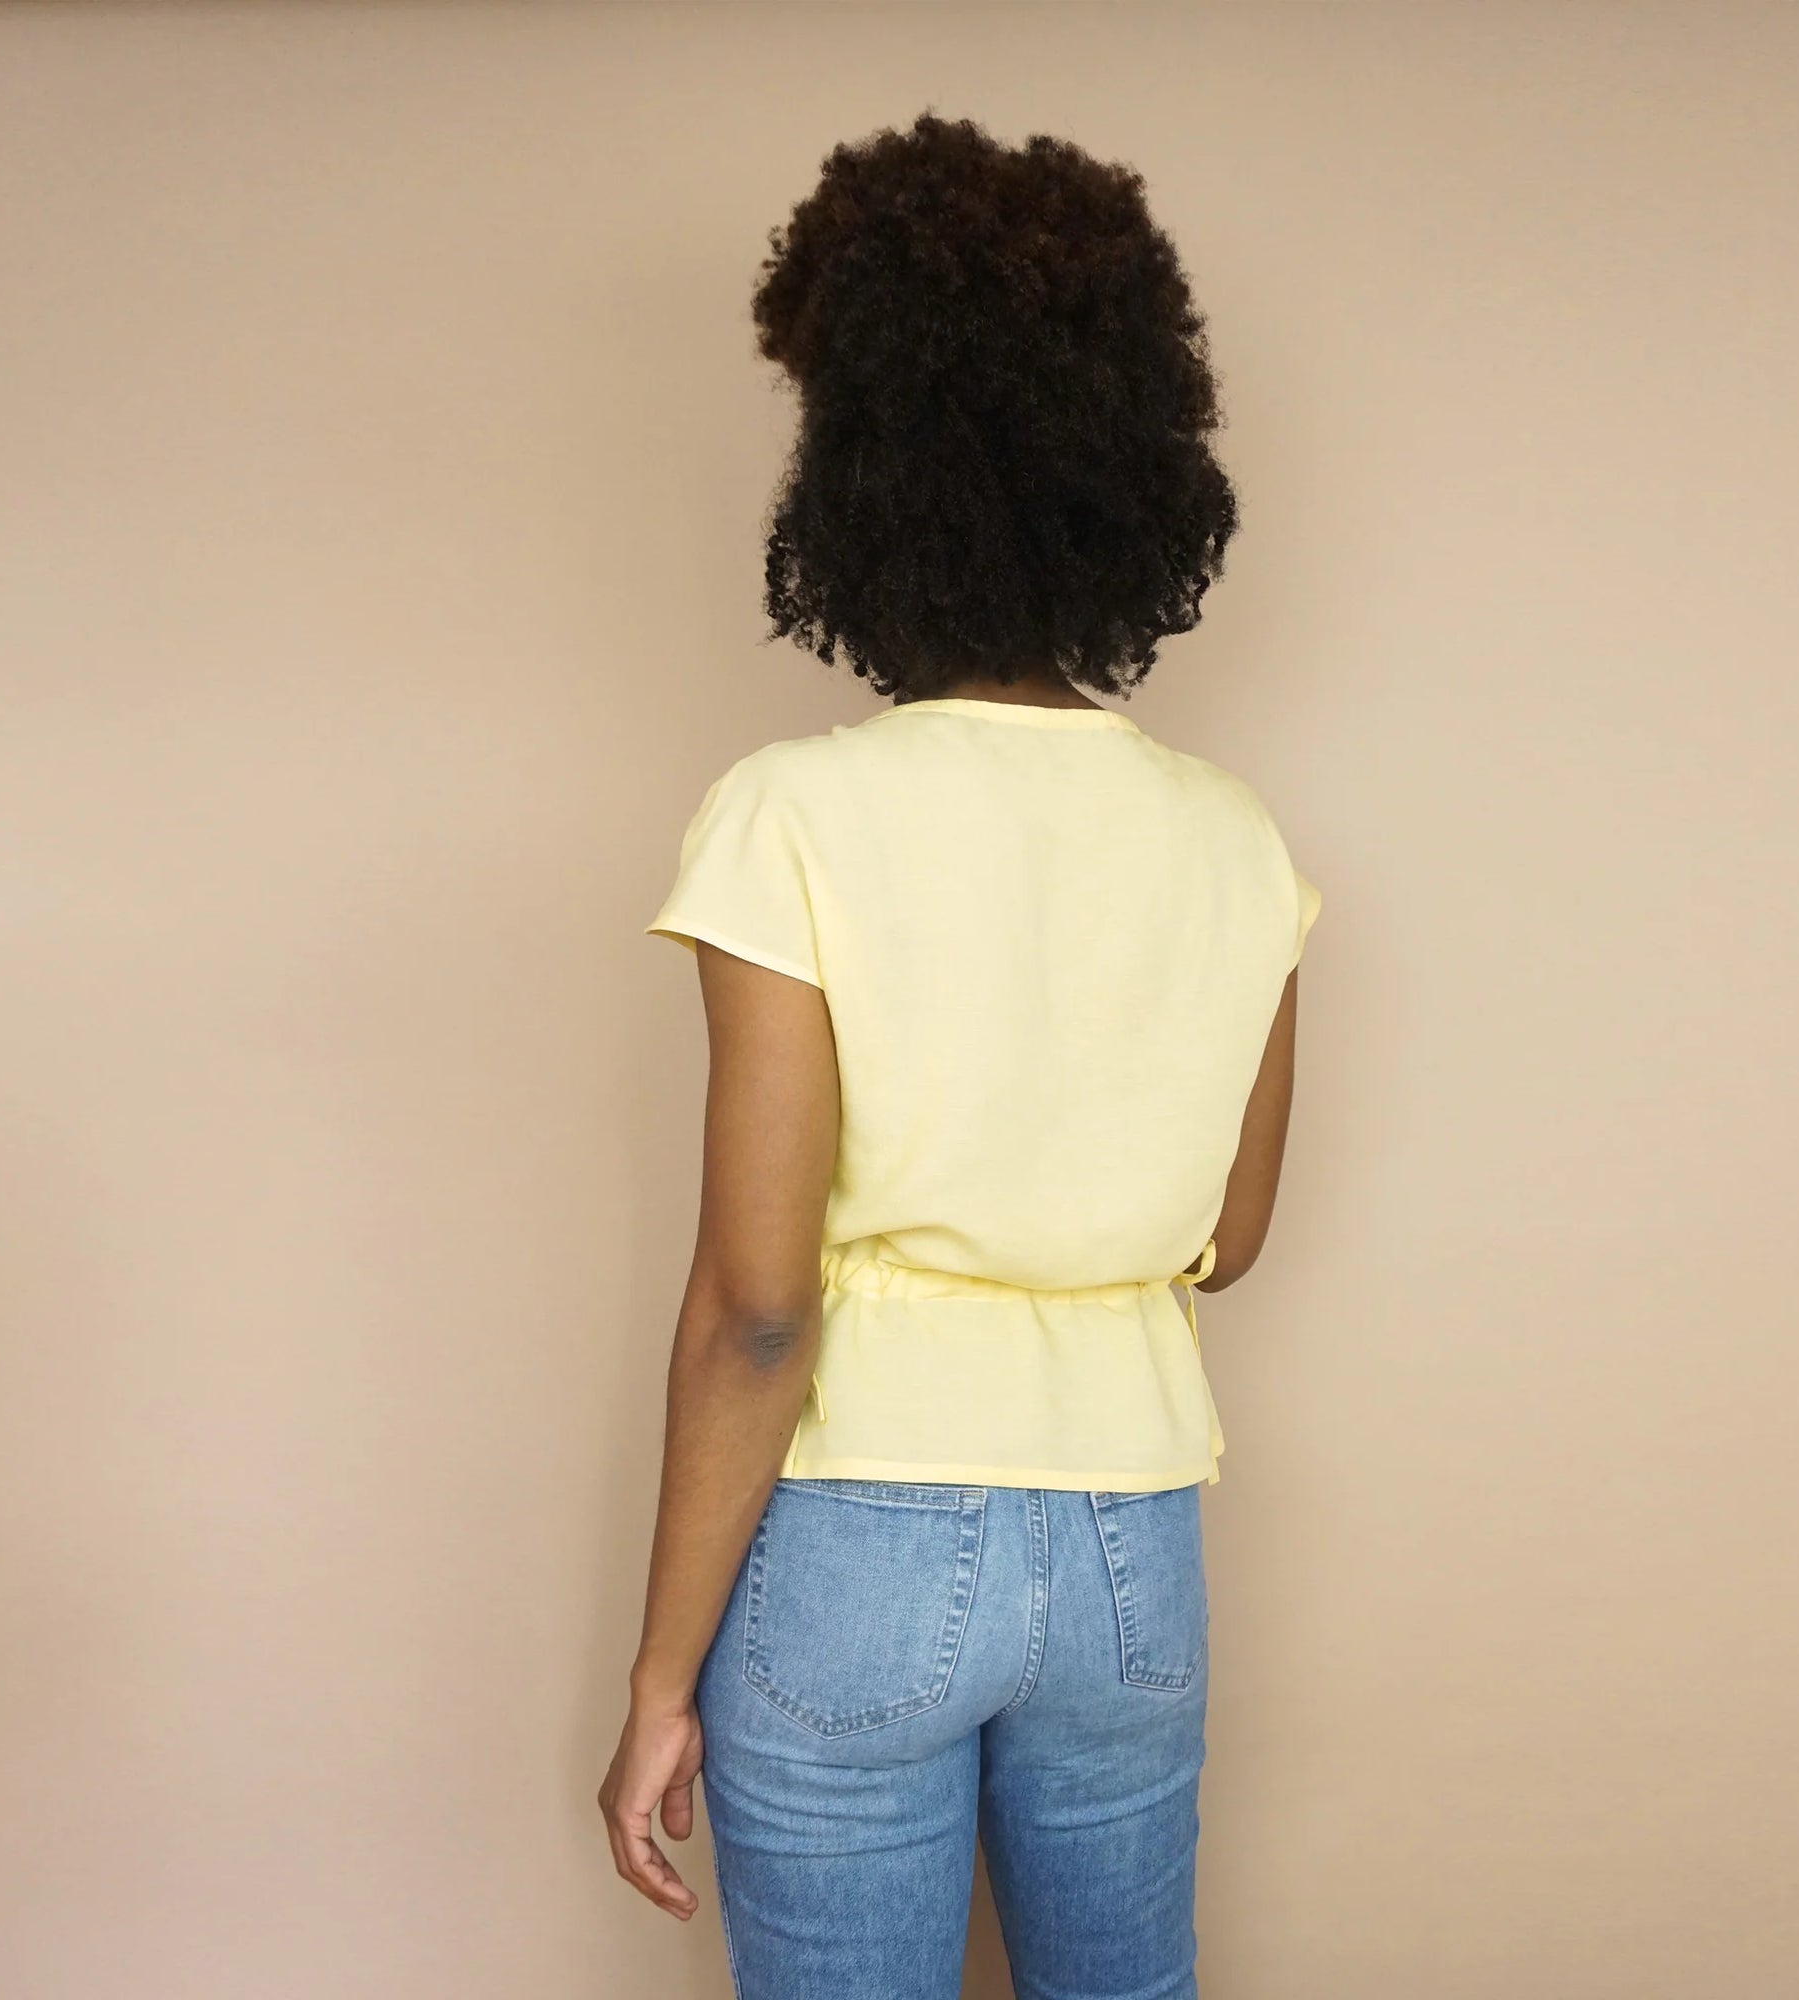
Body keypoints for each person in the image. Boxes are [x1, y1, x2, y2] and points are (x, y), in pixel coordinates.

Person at [600, 111, 1321, 2000]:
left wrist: (660, 1678)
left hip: (858, 1536)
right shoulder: (1235, 840)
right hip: (1135, 1548)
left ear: (864, 480)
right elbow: (1229, 1240)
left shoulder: (796, 817)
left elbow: (760, 1306)